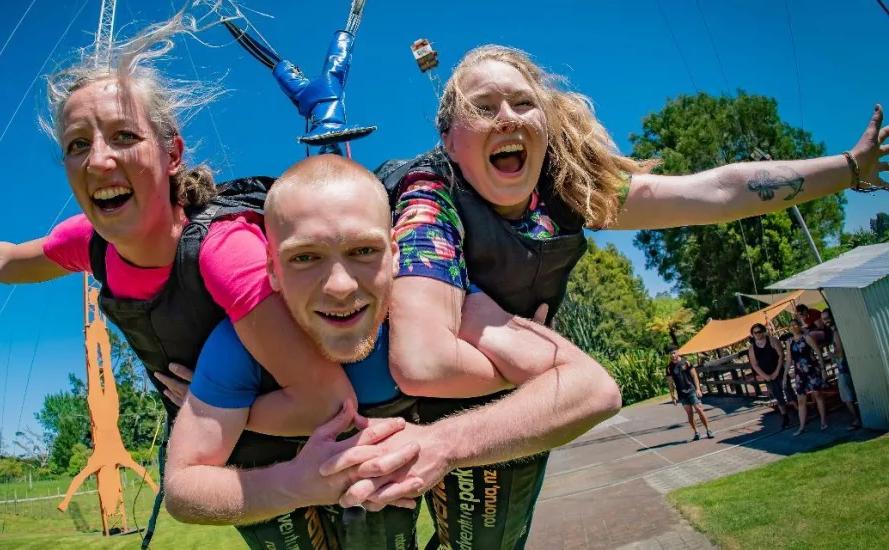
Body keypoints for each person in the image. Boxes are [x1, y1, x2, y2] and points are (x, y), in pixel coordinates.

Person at [372, 44, 887, 546]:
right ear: (449, 140)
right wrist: (551, 367)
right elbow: (424, 363)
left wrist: (848, 167)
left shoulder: (568, 189)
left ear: (546, 123)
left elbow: (718, 192)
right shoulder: (428, 198)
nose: (506, 117)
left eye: (523, 102)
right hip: (393, 405)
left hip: (507, 410)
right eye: (482, 109)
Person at [0, 15, 363, 544]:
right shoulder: (89, 244)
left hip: (315, 444)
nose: (98, 160)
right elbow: (10, 260)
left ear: (172, 154)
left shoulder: (225, 254)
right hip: (233, 467)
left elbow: (328, 401)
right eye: (76, 145)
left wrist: (220, 409)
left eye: (123, 137)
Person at [163, 155, 619, 549]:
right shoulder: (244, 343)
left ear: (396, 255)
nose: (340, 287)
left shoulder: (441, 306)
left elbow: (594, 389)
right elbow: (183, 488)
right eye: (305, 257)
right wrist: (296, 483)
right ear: (273, 271)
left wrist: (441, 445)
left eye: (363, 251)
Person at [784, 318, 828, 434]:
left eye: (795, 325)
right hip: (800, 373)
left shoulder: (807, 337)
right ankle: (802, 426)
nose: (793, 327)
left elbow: (818, 352)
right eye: (791, 326)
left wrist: (823, 369)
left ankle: (823, 421)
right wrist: (785, 375)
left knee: (817, 394)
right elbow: (789, 359)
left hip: (812, 369)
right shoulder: (789, 342)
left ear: (799, 326)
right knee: (801, 400)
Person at [747, 323, 794, 429]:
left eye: (760, 332)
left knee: (788, 390)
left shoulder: (772, 341)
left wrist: (777, 371)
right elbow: (754, 364)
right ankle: (785, 416)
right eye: (755, 333)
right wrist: (765, 376)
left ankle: (799, 409)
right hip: (767, 373)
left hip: (779, 370)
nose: (758, 334)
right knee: (778, 395)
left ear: (763, 331)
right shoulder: (752, 348)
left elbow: (781, 355)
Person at [822, 309, 862, 430]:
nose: (826, 321)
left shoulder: (836, 332)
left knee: (847, 397)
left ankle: (857, 420)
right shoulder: (837, 330)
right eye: (824, 319)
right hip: (846, 367)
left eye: (827, 317)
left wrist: (830, 355)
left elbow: (840, 353)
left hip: (844, 368)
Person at [666, 345, 713, 440]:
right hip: (681, 393)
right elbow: (670, 383)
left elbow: (695, 376)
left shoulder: (686, 362)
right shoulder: (669, 368)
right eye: (671, 354)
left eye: (674, 352)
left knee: (699, 409)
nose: (673, 355)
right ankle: (696, 432)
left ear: (678, 352)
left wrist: (698, 389)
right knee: (689, 413)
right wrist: (672, 395)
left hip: (691, 390)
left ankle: (708, 430)